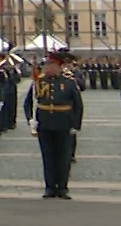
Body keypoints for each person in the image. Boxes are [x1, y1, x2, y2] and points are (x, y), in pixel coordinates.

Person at [24, 49, 83, 198]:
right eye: (47, 64)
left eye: (51, 65)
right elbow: (28, 102)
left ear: (59, 66)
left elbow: (78, 105)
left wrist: (75, 125)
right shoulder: (40, 81)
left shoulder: (69, 82)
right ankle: (50, 187)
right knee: (48, 157)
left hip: (64, 124)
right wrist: (31, 119)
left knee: (63, 157)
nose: (47, 67)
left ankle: (62, 187)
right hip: (45, 124)